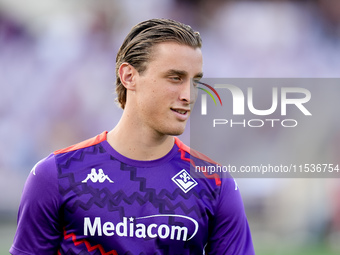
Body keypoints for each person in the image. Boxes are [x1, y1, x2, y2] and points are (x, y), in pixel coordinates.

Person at [10, 18, 255, 254]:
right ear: (129, 76)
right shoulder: (56, 174)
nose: (188, 96)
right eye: (175, 78)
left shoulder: (214, 183)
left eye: (195, 81)